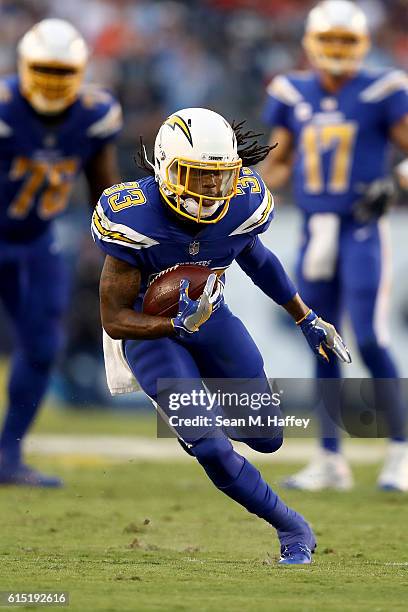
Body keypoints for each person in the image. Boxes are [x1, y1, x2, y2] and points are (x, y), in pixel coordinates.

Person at [92, 107, 351, 564]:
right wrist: (173, 325)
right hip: (149, 333)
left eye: (219, 175)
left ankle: (197, 418)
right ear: (166, 168)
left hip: (210, 318)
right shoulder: (131, 215)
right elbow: (113, 318)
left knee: (269, 436)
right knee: (211, 444)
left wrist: (306, 318)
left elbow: (257, 258)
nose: (211, 188)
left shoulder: (244, 202)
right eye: (197, 174)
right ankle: (292, 526)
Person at [260, 0, 408, 491]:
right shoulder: (290, 89)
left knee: (368, 337)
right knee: (321, 340)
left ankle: (402, 450)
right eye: (331, 41)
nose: (339, 51)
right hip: (315, 228)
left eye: (347, 41)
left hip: (362, 228)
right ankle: (329, 458)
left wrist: (398, 180)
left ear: (362, 45)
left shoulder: (384, 89)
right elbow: (280, 162)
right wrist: (245, 189)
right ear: (311, 44)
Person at [0, 19, 122, 486]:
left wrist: (118, 243)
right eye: (43, 70)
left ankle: (8, 456)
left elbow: (102, 186)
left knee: (44, 344)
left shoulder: (94, 114)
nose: (52, 81)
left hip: (36, 240)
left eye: (61, 71)